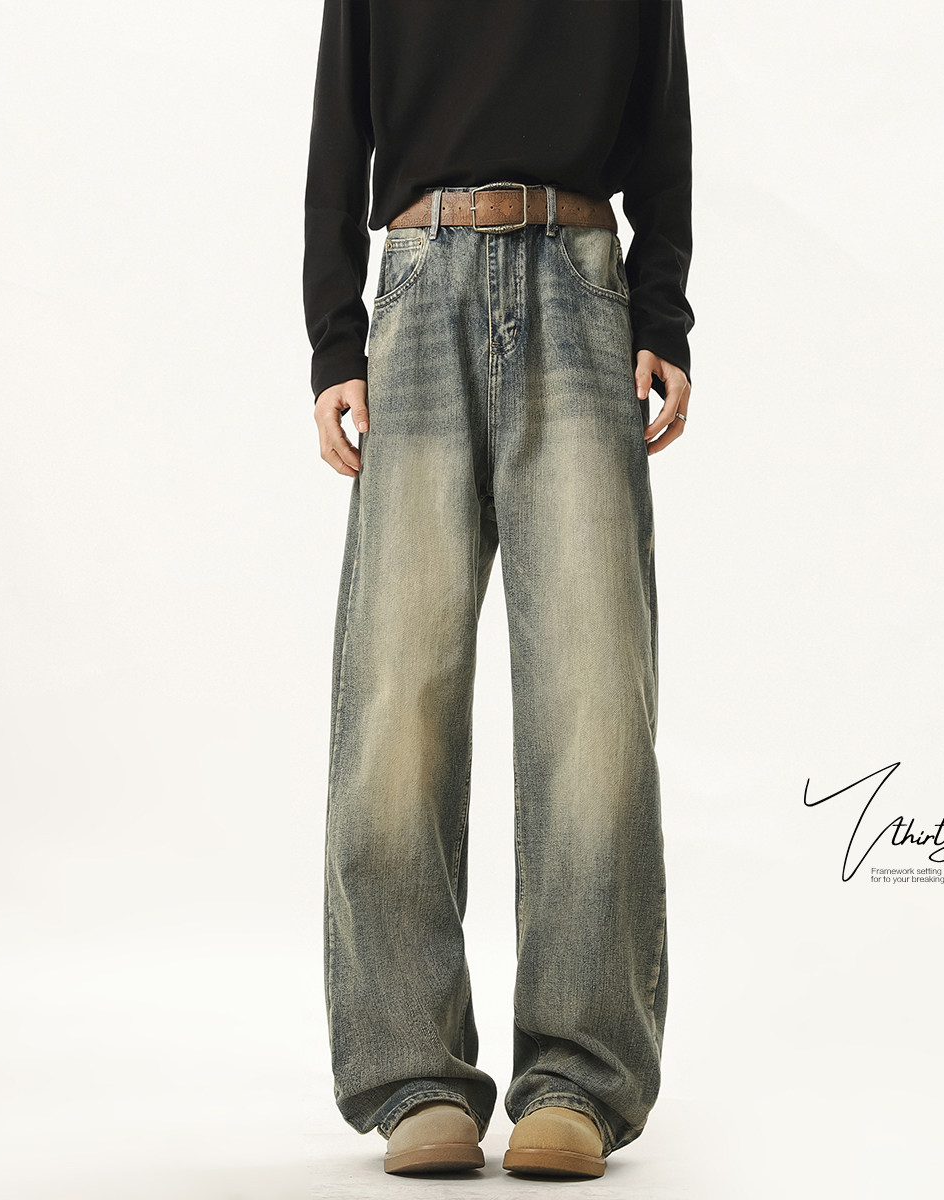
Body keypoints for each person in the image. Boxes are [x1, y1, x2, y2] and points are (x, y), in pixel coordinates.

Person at [302, 0, 693, 1180]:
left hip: (581, 285)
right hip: (417, 286)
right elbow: (339, 124)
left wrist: (663, 310)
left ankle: (578, 1076)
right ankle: (410, 1071)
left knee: (593, 696)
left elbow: (662, 125)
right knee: (395, 697)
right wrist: (334, 340)